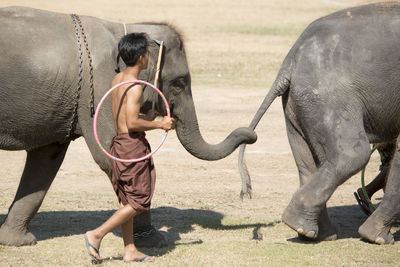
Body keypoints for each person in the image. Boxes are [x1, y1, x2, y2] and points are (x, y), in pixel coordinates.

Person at [84, 33, 174, 263]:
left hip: (119, 144)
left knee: (126, 200)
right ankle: (97, 234)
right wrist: (159, 123)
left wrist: (147, 115)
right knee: (139, 201)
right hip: (132, 146)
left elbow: (126, 116)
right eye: (147, 54)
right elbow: (132, 123)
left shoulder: (118, 79)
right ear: (142, 57)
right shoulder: (135, 87)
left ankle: (130, 249)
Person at [354, 141, 395, 215]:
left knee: (390, 164)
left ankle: (390, 201)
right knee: (395, 165)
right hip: (388, 136)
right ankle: (368, 190)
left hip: (385, 138)